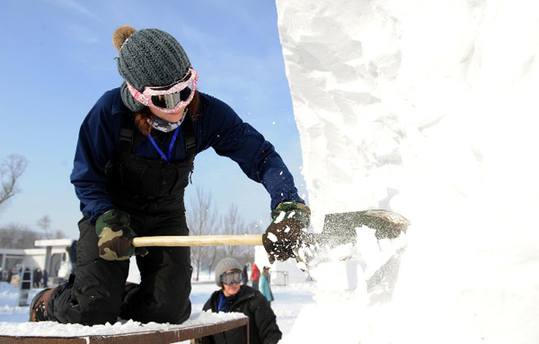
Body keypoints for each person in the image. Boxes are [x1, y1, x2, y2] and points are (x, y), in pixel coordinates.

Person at [29, 25, 310, 326]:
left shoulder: (206, 114)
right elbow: (87, 177)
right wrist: (104, 217)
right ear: (139, 97)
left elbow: (261, 156)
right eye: (165, 99)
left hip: (165, 215)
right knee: (93, 309)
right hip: (111, 215)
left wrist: (287, 203)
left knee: (170, 311)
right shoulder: (108, 113)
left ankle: (118, 297)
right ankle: (50, 301)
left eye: (186, 91)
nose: (179, 107)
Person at [197, 258, 281, 344]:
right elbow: (204, 337)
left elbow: (271, 333)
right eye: (228, 279)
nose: (234, 283)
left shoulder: (255, 299)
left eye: (237, 277)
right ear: (221, 281)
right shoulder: (212, 304)